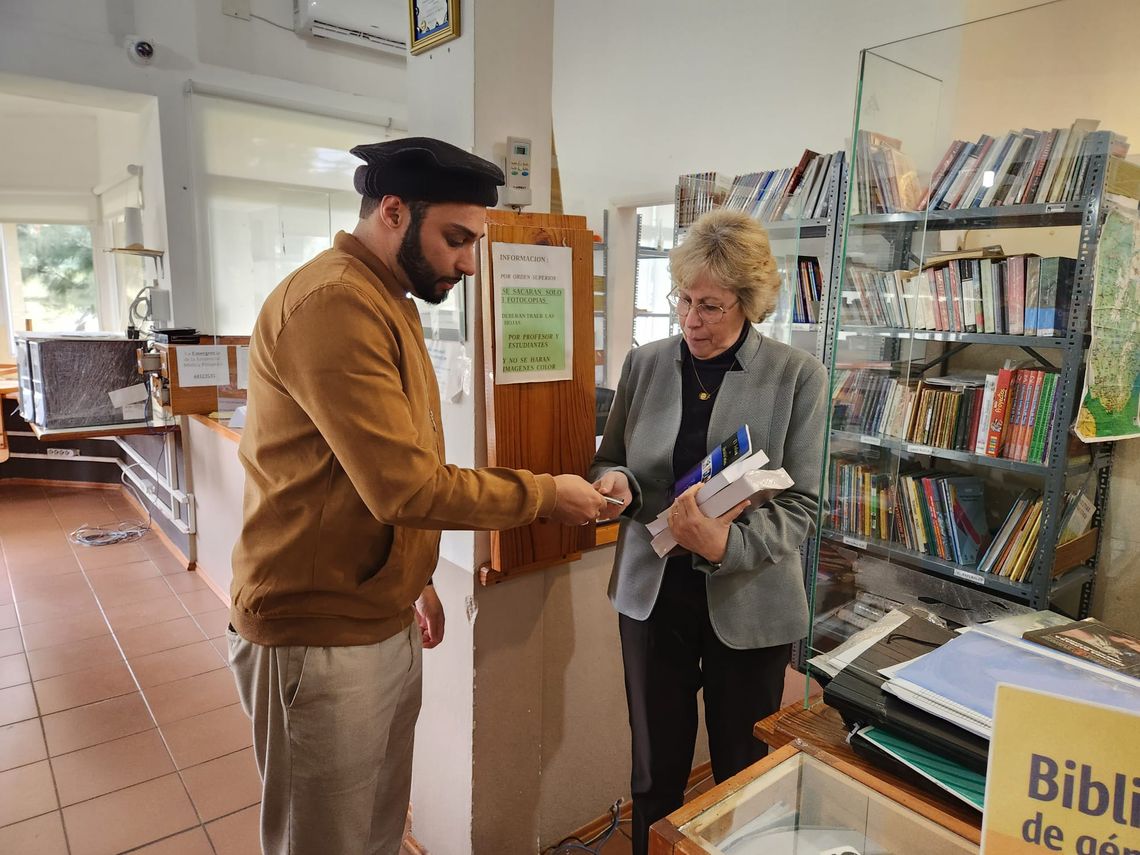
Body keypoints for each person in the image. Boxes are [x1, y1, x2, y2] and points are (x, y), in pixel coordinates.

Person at [227, 137, 609, 855]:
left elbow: (379, 466)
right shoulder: (334, 302)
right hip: (318, 628)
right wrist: (545, 495)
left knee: (373, 832)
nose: (468, 262)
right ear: (394, 212)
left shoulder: (388, 296)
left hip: (375, 612)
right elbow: (404, 486)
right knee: (323, 841)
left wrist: (417, 576)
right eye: (456, 239)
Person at [590, 209, 827, 853]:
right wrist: (617, 486)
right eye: (684, 301)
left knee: (742, 769)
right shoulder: (646, 363)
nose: (692, 320)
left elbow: (803, 506)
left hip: (749, 602)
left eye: (712, 306)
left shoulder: (796, 376)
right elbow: (611, 459)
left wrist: (727, 545)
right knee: (654, 767)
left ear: (749, 304)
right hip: (652, 594)